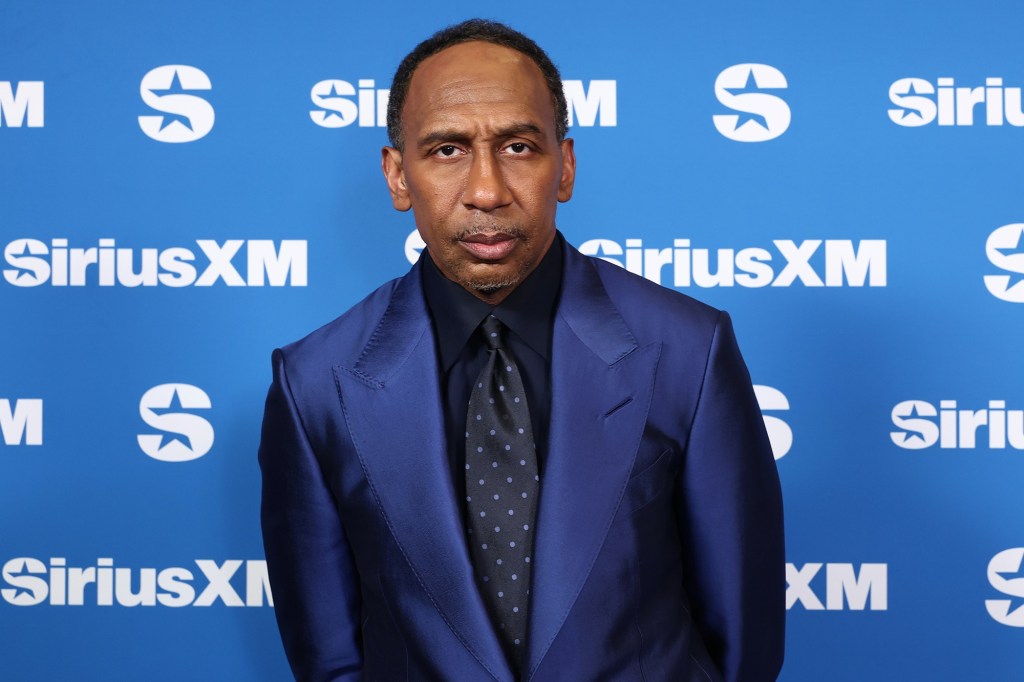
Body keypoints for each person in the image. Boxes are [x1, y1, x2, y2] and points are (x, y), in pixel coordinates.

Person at [259, 18, 785, 682]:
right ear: (397, 177)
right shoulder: (315, 383)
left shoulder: (688, 351)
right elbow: (328, 656)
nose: (486, 190)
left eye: (517, 146)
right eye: (447, 149)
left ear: (563, 167)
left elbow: (743, 643)